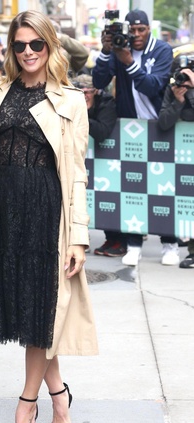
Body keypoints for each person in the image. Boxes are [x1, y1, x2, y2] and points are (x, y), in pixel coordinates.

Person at [0, 10, 98, 423]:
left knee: (40, 313)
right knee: (22, 313)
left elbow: (76, 173)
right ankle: (60, 395)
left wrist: (78, 235)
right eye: (19, 45)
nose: (27, 52)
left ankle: (27, 404)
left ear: (50, 46)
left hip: (46, 216)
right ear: (11, 49)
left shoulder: (71, 100)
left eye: (36, 44)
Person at [92, 9, 177, 266]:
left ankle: (169, 244)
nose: (137, 35)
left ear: (148, 28)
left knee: (165, 188)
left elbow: (153, 85)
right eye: (133, 31)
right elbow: (98, 81)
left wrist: (128, 61)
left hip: (159, 125)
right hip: (130, 127)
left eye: (141, 30)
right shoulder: (119, 50)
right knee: (132, 187)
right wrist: (107, 52)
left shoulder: (161, 50)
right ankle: (133, 244)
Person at [72, 74, 118, 255]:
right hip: (79, 158)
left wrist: (81, 114)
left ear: (96, 92)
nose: (84, 95)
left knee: (110, 197)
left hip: (108, 158)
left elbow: (102, 132)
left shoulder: (106, 103)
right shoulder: (73, 103)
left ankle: (114, 238)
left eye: (88, 92)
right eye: (80, 92)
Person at [158, 67, 194, 269]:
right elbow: (163, 122)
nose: (182, 80)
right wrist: (178, 101)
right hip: (183, 154)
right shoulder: (173, 90)